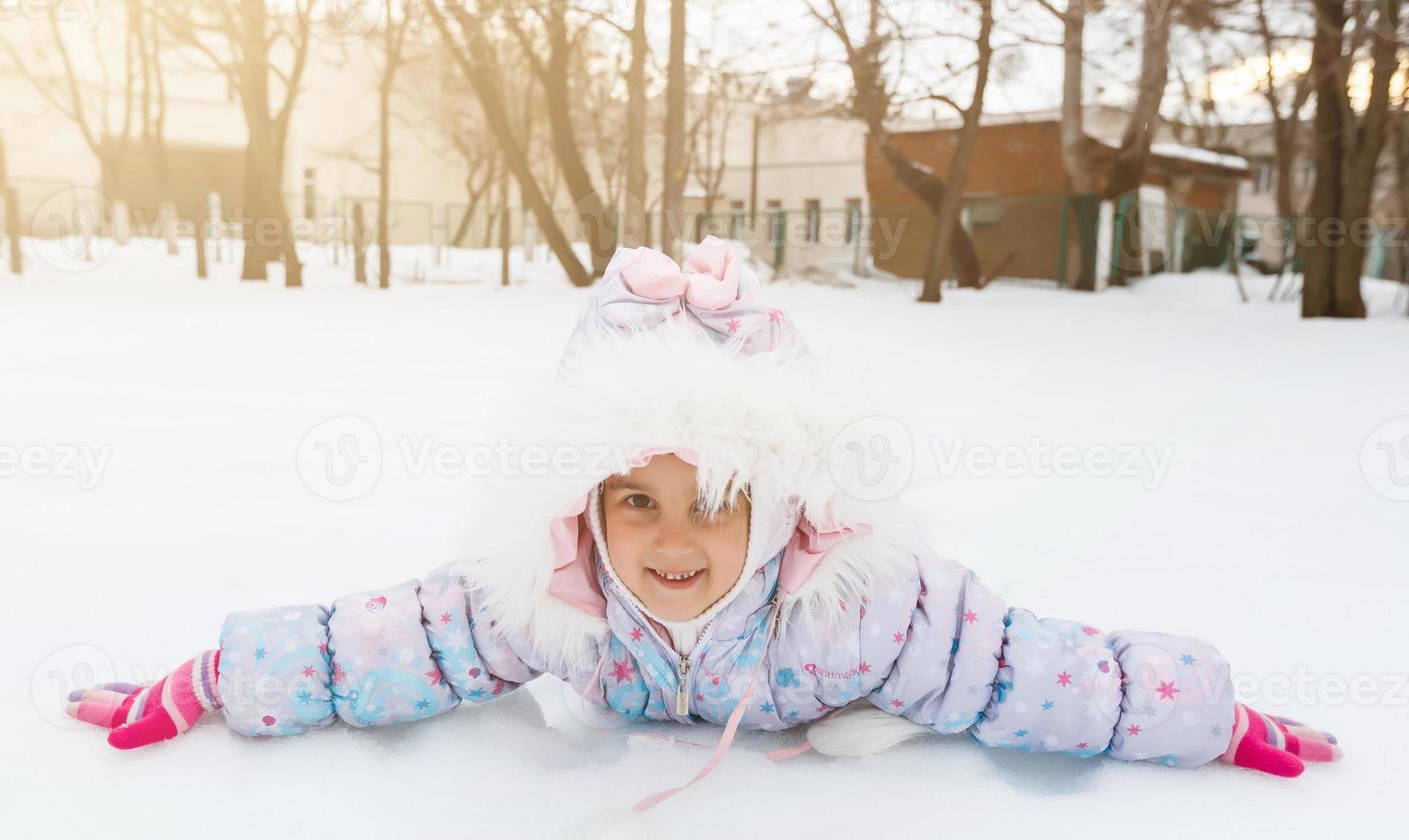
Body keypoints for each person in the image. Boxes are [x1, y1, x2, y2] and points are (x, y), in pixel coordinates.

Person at [67, 239, 1340, 790]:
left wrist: (1211, 716)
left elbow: (1037, 673)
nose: (673, 543)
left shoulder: (865, 605)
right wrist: (219, 678)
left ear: (783, 502)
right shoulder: (551, 600)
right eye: (637, 501)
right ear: (583, 508)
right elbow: (386, 643)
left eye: (716, 501)